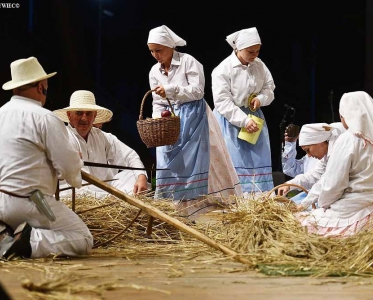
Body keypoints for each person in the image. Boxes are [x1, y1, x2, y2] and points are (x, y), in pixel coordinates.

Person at [0, 57, 93, 259]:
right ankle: (26, 242)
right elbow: (68, 168)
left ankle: (6, 232)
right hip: (33, 201)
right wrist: (75, 163)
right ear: (41, 87)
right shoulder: (45, 118)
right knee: (83, 238)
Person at [147, 25, 242, 219]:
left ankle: (198, 207)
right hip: (170, 119)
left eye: (159, 50)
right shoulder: (154, 71)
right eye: (152, 51)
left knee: (197, 161)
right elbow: (157, 101)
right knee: (168, 161)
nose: (155, 55)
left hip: (193, 115)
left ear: (170, 46)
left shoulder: (188, 61)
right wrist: (158, 120)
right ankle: (173, 208)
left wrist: (171, 90)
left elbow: (198, 91)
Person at [296, 91, 373, 237]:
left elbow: (333, 184)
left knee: (301, 224)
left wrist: (323, 204)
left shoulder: (349, 139)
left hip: (356, 213)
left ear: (346, 115)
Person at [211, 27, 275, 196]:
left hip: (254, 118)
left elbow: (270, 88)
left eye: (257, 51)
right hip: (230, 121)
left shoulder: (259, 65)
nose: (255, 55)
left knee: (256, 161)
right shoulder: (223, 69)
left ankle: (258, 202)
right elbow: (222, 102)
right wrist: (244, 120)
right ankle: (235, 202)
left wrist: (260, 99)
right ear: (237, 48)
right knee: (234, 161)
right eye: (250, 51)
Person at [53, 90, 150, 197]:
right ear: (69, 116)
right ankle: (116, 199)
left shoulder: (102, 136)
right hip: (77, 193)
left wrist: (141, 177)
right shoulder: (63, 137)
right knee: (78, 191)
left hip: (106, 191)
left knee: (133, 174)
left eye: (89, 113)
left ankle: (115, 198)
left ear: (94, 116)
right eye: (79, 113)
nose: (84, 118)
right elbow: (80, 180)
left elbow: (129, 156)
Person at [278, 122, 346, 209]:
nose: (309, 155)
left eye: (308, 150)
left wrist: (303, 205)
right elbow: (315, 174)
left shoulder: (338, 152)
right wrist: (290, 184)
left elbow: (327, 183)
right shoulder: (326, 156)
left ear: (319, 142)